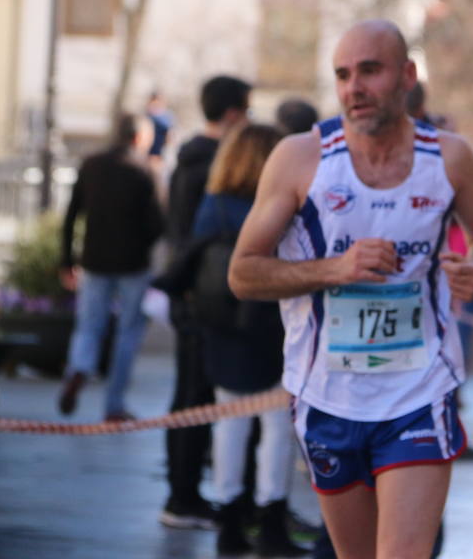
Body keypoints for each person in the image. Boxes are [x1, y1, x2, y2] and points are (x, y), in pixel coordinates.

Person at [228, 19, 473, 559]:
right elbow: (243, 273)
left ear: (407, 75)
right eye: (342, 74)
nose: (354, 87)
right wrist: (335, 269)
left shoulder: (449, 158)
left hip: (418, 391)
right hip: (327, 395)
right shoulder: (301, 159)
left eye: (370, 71)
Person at [187, 123, 307, 556]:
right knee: (276, 427)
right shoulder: (270, 207)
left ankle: (229, 520)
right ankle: (271, 518)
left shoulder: (213, 205)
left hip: (222, 328)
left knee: (229, 422)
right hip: (269, 327)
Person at [160, 75, 251, 529]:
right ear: (233, 113)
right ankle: (183, 496)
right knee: (196, 397)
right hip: (205, 296)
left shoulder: (186, 163)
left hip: (190, 292)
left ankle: (184, 492)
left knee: (189, 394)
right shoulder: (215, 168)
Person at [58, 113, 164, 422]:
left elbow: (70, 214)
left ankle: (79, 368)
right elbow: (157, 223)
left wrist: (67, 260)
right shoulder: (144, 170)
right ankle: (114, 405)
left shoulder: (92, 165)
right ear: (139, 138)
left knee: (89, 325)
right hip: (133, 264)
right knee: (128, 333)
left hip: (94, 260)